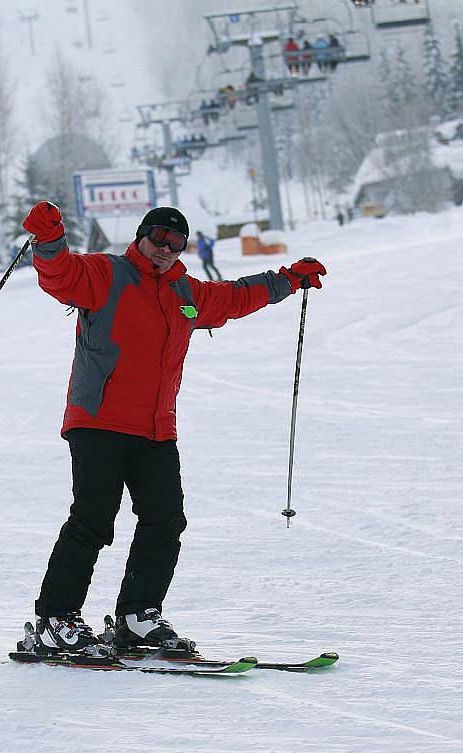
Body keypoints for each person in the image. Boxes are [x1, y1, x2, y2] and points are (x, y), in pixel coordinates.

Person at [21, 201, 327, 655]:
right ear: (141, 236)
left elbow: (235, 297)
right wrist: (49, 240)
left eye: (176, 243)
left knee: (165, 519)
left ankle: (137, 617)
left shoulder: (186, 292)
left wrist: (287, 280)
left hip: (155, 429)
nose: (165, 249)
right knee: (93, 520)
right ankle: (56, 618)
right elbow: (60, 274)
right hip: (100, 420)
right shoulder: (108, 274)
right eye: (158, 239)